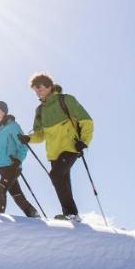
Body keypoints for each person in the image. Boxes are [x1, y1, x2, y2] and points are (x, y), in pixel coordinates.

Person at [19, 72, 93, 220]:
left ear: (49, 86)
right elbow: (40, 135)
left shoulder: (66, 100)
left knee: (55, 175)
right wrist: (28, 138)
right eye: (35, 90)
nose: (38, 93)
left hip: (70, 147)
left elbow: (86, 120)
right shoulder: (40, 110)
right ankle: (71, 215)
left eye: (40, 89)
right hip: (53, 152)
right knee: (62, 180)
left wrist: (84, 141)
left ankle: (71, 214)